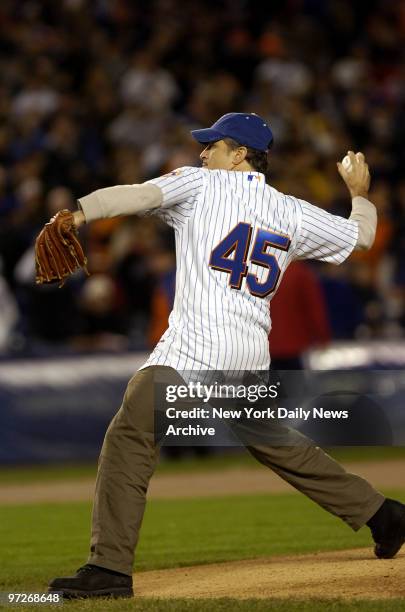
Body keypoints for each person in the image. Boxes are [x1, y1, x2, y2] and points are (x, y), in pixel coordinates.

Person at [48, 113, 405, 598]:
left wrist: (79, 214)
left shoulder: (200, 185)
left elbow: (136, 195)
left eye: (213, 145)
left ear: (240, 155)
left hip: (197, 348)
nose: (202, 152)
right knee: (276, 443)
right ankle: (383, 515)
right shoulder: (291, 211)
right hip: (248, 353)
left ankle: (109, 570)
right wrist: (360, 192)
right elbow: (361, 237)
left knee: (131, 434)